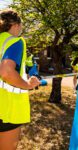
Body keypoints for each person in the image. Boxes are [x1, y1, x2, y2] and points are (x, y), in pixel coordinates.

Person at [0, 9, 40, 150]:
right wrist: (28, 85)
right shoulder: (14, 41)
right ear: (16, 25)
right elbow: (6, 72)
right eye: (21, 26)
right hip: (6, 109)